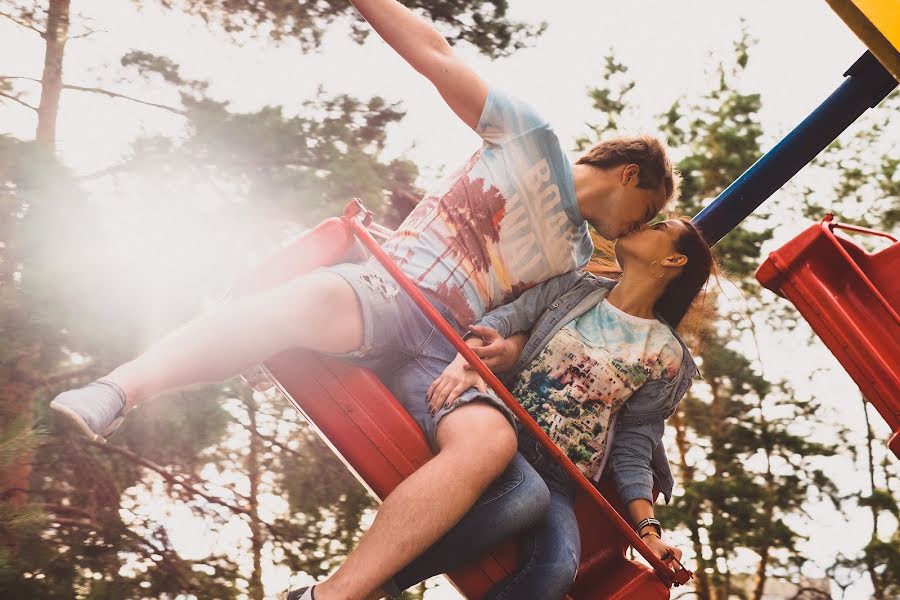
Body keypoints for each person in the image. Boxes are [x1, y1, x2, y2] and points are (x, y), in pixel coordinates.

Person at [51, 1, 678, 598]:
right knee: (303, 302)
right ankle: (119, 390)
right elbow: (435, 53)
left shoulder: (572, 254)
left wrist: (498, 347)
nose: (630, 231)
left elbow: (523, 330)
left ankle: (333, 595)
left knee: (491, 446)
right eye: (644, 212)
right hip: (393, 290)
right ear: (629, 174)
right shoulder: (530, 138)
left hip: (446, 349)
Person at [360, 217, 712, 600]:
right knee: (524, 494)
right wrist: (470, 360)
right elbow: (505, 320)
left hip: (562, 477)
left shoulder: (666, 355)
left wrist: (648, 531)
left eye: (659, 227)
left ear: (674, 261)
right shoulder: (574, 288)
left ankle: (368, 585)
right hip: (504, 434)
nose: (641, 224)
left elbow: (635, 446)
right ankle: (365, 585)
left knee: (558, 567)